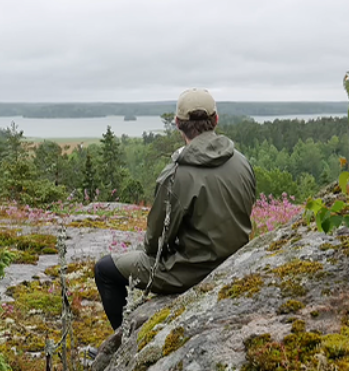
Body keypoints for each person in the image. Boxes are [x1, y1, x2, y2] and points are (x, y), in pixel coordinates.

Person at [94, 88, 257, 330]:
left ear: (178, 124)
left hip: (189, 272)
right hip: (235, 260)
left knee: (104, 270)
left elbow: (154, 243)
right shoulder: (241, 161)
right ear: (216, 120)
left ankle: (120, 346)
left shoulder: (176, 175)